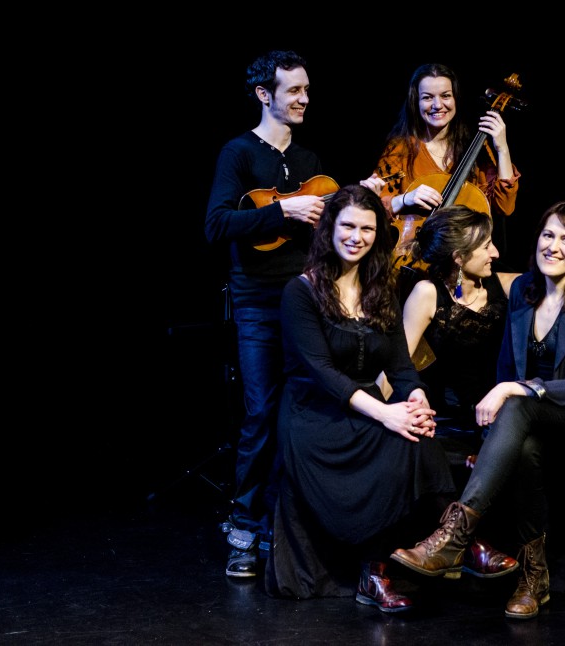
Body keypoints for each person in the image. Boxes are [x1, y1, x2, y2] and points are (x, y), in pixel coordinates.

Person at [263, 185, 513, 612]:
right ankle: (461, 544)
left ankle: (406, 559)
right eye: (348, 226)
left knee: (416, 430)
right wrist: (388, 413)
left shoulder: (381, 289)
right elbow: (322, 375)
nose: (357, 237)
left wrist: (415, 400)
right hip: (314, 415)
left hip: (366, 408)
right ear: (330, 229)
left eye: (367, 228)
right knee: (395, 433)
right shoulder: (300, 292)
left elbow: (400, 366)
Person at [390, 201, 565, 619]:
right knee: (522, 446)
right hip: (531, 421)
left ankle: (454, 537)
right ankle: (533, 576)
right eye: (547, 234)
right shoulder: (523, 291)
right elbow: (507, 366)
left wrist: (510, 388)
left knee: (517, 403)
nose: (554, 246)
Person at [204, 50, 384, 579]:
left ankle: (289, 528)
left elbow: (331, 236)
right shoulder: (237, 154)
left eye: (307, 89)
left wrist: (360, 202)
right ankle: (243, 527)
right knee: (261, 412)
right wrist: (280, 210)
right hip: (259, 303)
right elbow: (215, 226)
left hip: (308, 300)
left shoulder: (308, 161)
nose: (305, 98)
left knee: (303, 411)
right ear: (265, 95)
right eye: (294, 90)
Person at [370, 63, 521, 278]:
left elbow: (504, 207)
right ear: (416, 101)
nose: (437, 105)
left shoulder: (474, 149)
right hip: (409, 260)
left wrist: (502, 148)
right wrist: (406, 199)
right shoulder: (400, 149)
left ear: (455, 98)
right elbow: (375, 206)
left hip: (464, 264)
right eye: (427, 97)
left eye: (445, 96)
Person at [399, 205, 520, 435]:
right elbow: (399, 363)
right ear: (459, 258)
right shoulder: (427, 293)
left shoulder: (503, 285)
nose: (495, 253)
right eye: (486, 247)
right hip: (448, 421)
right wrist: (376, 411)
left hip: (500, 416)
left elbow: (554, 284)